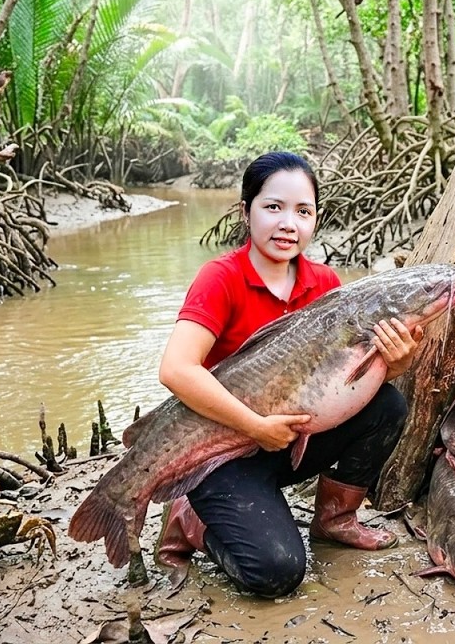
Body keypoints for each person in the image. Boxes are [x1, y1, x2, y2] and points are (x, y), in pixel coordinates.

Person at [153, 151, 424, 597]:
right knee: (276, 573)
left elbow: (350, 384)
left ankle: (335, 519)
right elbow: (175, 370)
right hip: (223, 454)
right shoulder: (219, 278)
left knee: (388, 405)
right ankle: (191, 519)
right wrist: (254, 426)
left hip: (290, 442)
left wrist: (398, 362)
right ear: (246, 211)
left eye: (303, 211)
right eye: (273, 207)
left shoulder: (324, 284)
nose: (288, 223)